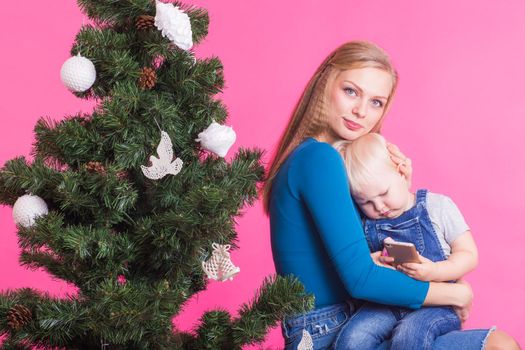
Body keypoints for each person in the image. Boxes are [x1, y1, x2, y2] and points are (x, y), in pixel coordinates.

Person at [262, 41, 520, 349]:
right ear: (325, 82)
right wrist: (453, 293)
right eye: (350, 91)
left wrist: (400, 192)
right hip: (331, 330)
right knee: (499, 345)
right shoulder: (319, 159)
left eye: (376, 102)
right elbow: (360, 278)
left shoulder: (318, 159)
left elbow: (364, 251)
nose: (360, 110)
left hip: (348, 321)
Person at [332, 133, 478, 349]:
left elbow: (469, 255)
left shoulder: (437, 207)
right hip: (387, 302)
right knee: (351, 338)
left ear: (401, 172)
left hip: (438, 305)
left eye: (384, 193)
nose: (379, 206)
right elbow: (358, 266)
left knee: (409, 335)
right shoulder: (365, 222)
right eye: (366, 202)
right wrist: (371, 261)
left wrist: (435, 271)